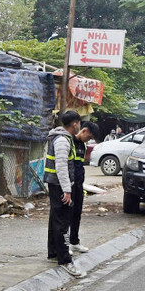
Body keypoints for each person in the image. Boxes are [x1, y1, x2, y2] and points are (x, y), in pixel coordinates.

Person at [44, 110, 86, 278]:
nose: (80, 127)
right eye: (79, 124)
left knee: (55, 219)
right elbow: (61, 166)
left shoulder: (61, 138)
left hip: (56, 184)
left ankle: (54, 251)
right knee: (62, 222)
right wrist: (67, 190)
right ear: (75, 123)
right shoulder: (62, 140)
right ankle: (65, 260)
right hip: (60, 185)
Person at [70, 121, 100, 255]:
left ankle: (74, 242)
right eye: (89, 136)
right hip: (69, 185)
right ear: (84, 130)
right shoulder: (69, 142)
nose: (89, 139)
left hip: (78, 184)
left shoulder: (82, 145)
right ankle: (66, 244)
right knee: (67, 216)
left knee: (77, 213)